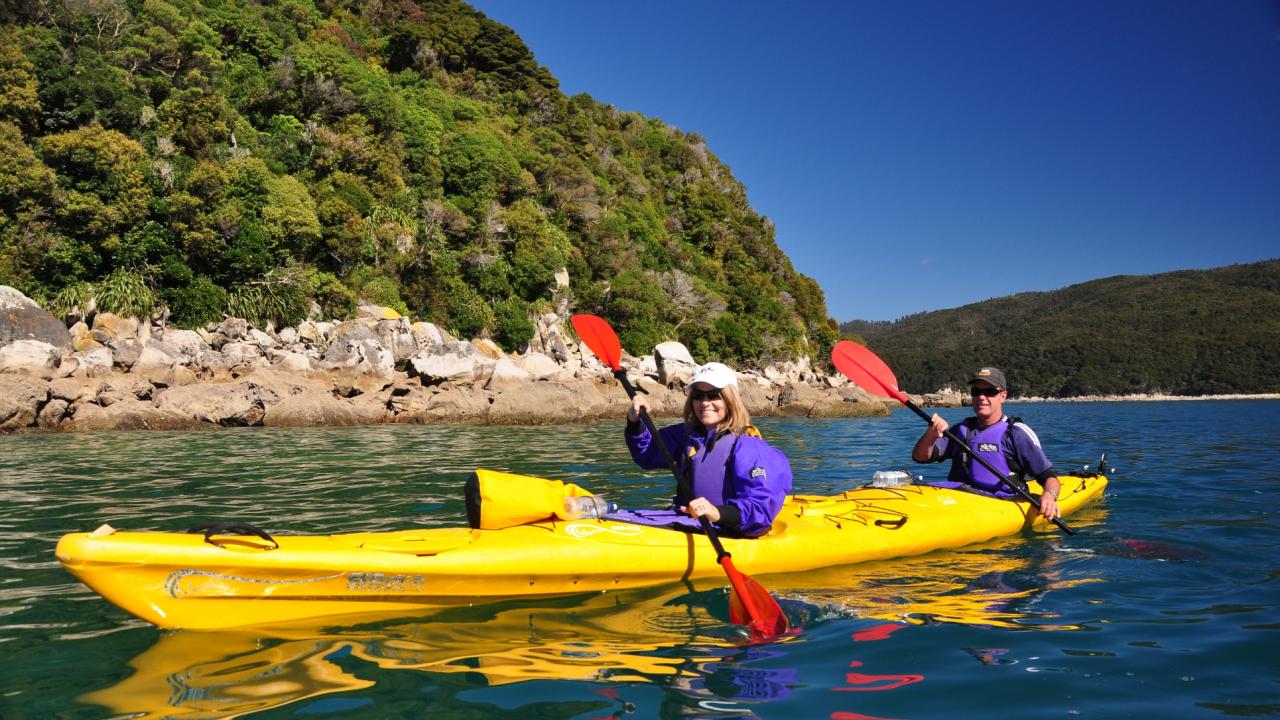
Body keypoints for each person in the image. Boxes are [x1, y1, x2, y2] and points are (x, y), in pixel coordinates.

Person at [625, 362, 793, 537]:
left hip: (727, 529)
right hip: (687, 519)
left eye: (713, 395)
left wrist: (717, 512)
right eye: (698, 395)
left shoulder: (748, 446)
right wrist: (635, 422)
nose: (705, 403)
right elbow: (647, 454)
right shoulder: (688, 435)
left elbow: (761, 509)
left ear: (730, 399)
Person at [911, 366, 1061, 521]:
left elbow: (1049, 478)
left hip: (1000, 503)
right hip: (959, 499)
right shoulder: (960, 430)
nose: (981, 397)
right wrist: (930, 435)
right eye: (976, 392)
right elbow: (920, 457)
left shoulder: (1015, 434)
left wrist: (1049, 496)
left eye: (990, 392)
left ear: (1003, 396)